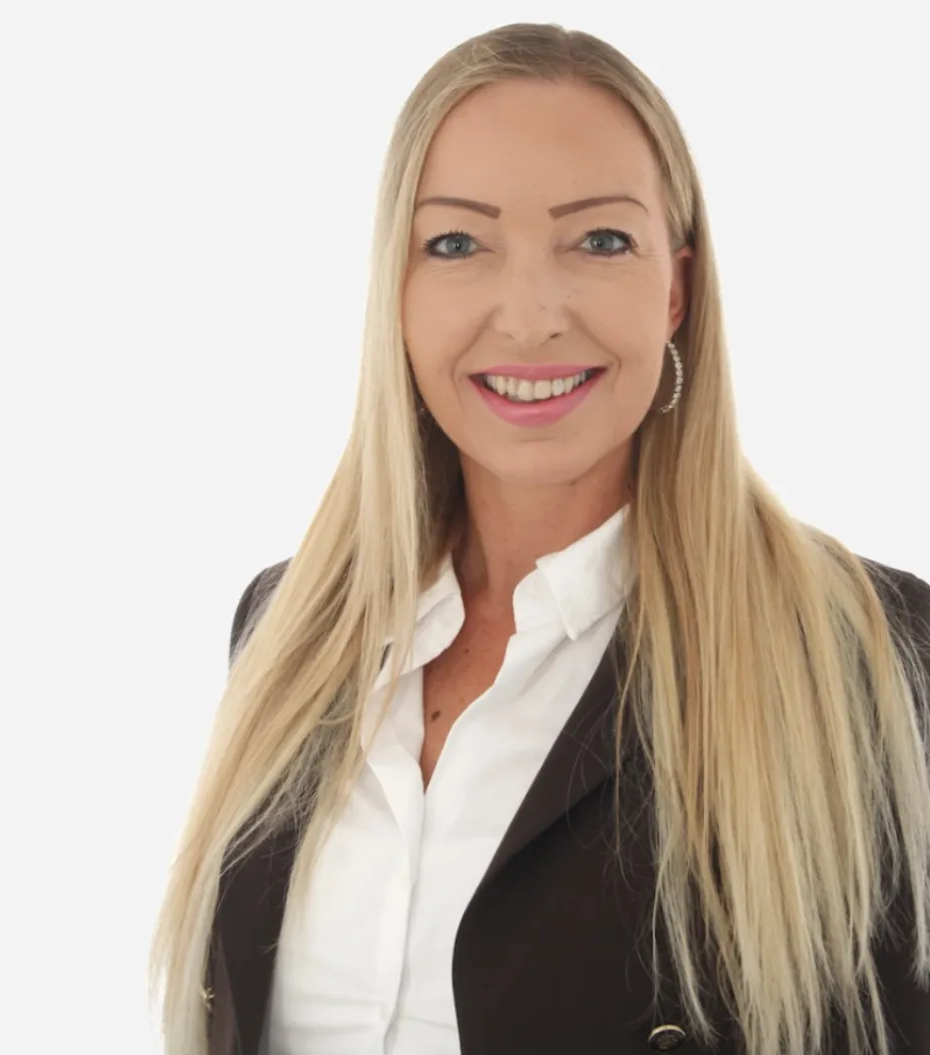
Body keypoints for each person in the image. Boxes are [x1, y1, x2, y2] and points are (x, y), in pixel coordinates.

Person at [149, 22, 930, 1055]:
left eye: (598, 240)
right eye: (456, 243)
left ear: (675, 291)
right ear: (396, 291)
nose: (527, 317)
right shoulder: (285, 626)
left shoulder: (868, 655)